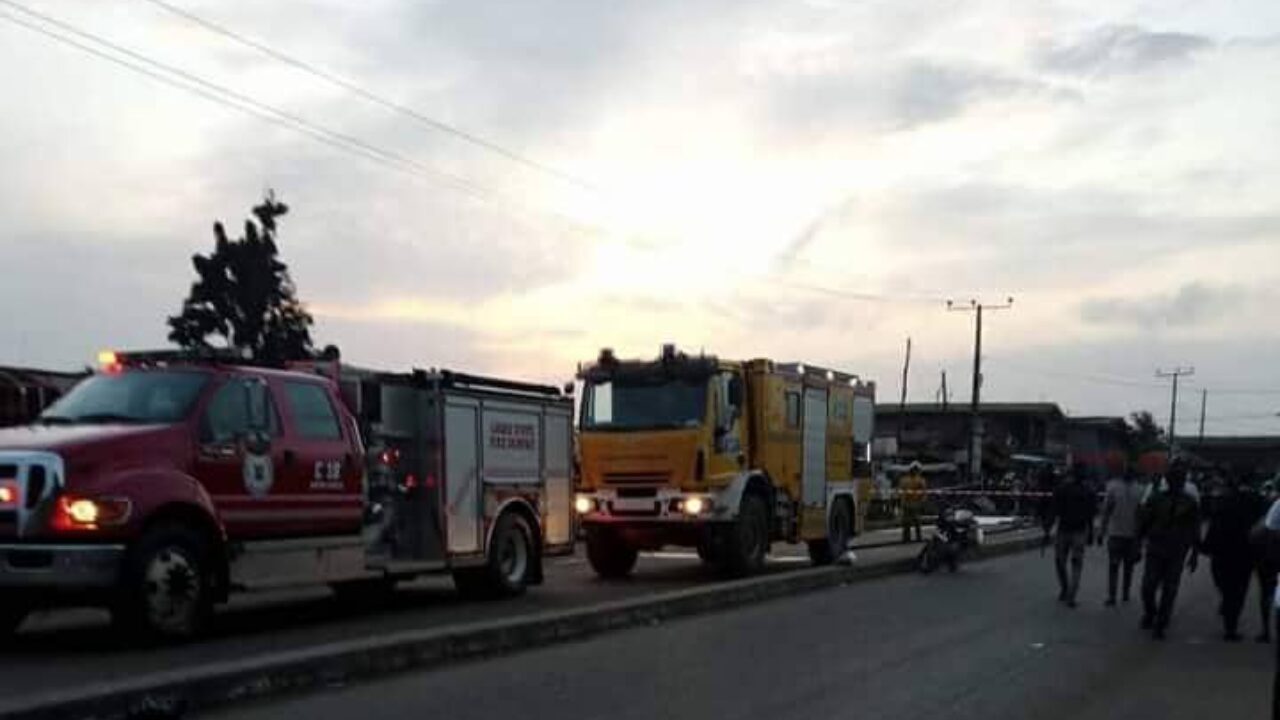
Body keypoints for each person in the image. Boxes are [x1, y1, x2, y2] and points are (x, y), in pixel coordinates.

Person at [1137, 461, 1200, 640]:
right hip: (1156, 548)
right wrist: (1137, 544)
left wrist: (1194, 554)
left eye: (1179, 478)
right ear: (1168, 479)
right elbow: (1143, 522)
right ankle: (1151, 613)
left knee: (1170, 589)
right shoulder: (1156, 498)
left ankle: (1161, 623)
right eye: (1173, 478)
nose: (1176, 481)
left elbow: (1195, 530)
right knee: (1148, 586)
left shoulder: (1190, 503)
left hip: (1177, 550)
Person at [1202, 474, 1266, 641]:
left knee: (1226, 585)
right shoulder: (1256, 501)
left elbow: (1214, 525)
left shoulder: (1224, 501)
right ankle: (1231, 624)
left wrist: (1206, 546)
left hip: (1226, 551)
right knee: (1238, 590)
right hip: (1244, 552)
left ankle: (1230, 622)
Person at [1047, 465, 1097, 608]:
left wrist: (1048, 529)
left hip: (1064, 530)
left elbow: (1053, 510)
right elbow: (1091, 516)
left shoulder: (1062, 489)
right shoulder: (1089, 491)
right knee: (1076, 565)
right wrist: (1091, 533)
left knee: (1060, 562)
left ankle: (1066, 589)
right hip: (1079, 531)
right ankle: (1071, 595)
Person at [1099, 468, 1145, 606]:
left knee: (1128, 567)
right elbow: (1107, 510)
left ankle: (1125, 592)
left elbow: (1142, 515)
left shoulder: (1141, 489)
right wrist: (1102, 530)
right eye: (1126, 470)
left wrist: (1141, 537)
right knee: (1114, 566)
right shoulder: (1112, 486)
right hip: (1115, 534)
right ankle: (1112, 596)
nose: (1127, 472)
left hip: (1132, 535)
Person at [898, 462, 927, 542]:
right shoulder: (908, 480)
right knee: (908, 523)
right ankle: (908, 538)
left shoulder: (919, 480)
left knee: (915, 522)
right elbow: (902, 493)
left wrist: (922, 501)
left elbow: (923, 492)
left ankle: (913, 538)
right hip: (910, 503)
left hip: (914, 503)